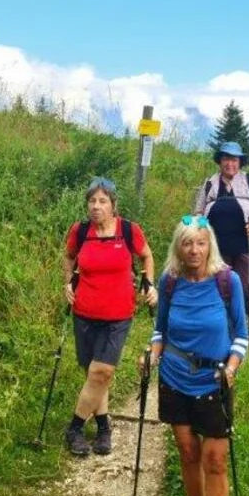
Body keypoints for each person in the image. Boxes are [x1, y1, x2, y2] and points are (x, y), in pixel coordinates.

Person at [141, 214, 249, 496]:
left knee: (215, 459)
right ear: (178, 247)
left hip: (214, 380)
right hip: (174, 378)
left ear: (210, 245)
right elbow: (160, 331)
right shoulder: (170, 281)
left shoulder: (227, 281)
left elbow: (241, 335)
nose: (194, 250)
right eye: (187, 243)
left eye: (201, 243)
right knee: (188, 452)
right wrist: (151, 354)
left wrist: (231, 367)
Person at [61, 177, 157, 456]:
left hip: (118, 315)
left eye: (102, 201)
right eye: (92, 201)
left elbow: (147, 256)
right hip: (84, 312)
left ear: (113, 205)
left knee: (102, 371)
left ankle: (74, 428)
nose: (96, 206)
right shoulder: (80, 231)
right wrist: (68, 283)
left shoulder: (128, 230)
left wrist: (149, 283)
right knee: (94, 374)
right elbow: (68, 256)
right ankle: (104, 427)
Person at [193, 141, 249, 349]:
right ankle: (226, 333)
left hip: (248, 245)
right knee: (221, 289)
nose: (230, 164)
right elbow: (198, 213)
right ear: (220, 161)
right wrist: (202, 228)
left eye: (234, 160)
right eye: (226, 159)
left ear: (240, 162)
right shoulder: (210, 183)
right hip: (217, 248)